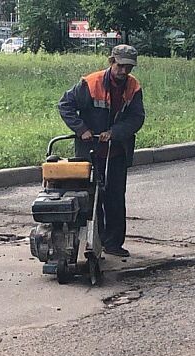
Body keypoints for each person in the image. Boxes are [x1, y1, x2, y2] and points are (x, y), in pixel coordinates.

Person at [57, 44, 145, 257]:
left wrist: (114, 132)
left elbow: (136, 118)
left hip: (116, 151)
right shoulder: (90, 83)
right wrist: (82, 129)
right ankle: (90, 240)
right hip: (89, 151)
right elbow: (65, 105)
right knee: (90, 197)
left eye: (128, 67)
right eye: (121, 66)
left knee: (115, 197)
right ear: (111, 62)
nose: (124, 72)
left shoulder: (133, 87)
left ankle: (113, 243)